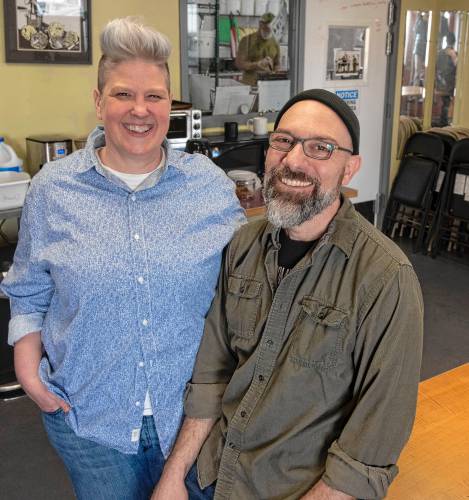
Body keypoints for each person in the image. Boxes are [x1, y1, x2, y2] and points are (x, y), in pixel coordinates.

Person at [1, 17, 244, 500]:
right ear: (98, 102)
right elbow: (28, 291)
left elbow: (245, 290)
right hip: (89, 421)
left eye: (153, 96)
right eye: (122, 94)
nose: (140, 110)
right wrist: (31, 378)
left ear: (169, 104)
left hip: (195, 419)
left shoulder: (210, 189)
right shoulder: (53, 189)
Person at [153, 89, 424, 500]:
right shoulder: (242, 245)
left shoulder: (386, 279)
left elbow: (368, 451)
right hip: (211, 474)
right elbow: (211, 375)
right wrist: (175, 475)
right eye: (284, 141)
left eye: (320, 148)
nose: (294, 161)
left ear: (349, 169)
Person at [235, 12, 280, 86]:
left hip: (268, 86)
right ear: (260, 25)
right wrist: (256, 65)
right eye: (265, 27)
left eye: (271, 28)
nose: (268, 30)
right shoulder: (247, 40)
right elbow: (239, 64)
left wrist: (274, 71)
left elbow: (277, 64)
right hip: (250, 84)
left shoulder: (275, 43)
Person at [436, 32, 457, 126]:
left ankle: (443, 120)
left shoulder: (439, 52)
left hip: (439, 83)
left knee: (446, 101)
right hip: (449, 85)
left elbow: (436, 67)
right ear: (454, 41)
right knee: (447, 101)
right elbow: (459, 68)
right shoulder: (454, 53)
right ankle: (444, 122)